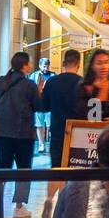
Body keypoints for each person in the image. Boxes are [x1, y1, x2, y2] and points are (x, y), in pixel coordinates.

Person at [0, 52, 40, 218]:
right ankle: (19, 206)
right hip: (24, 133)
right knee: (23, 169)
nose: (30, 66)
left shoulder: (0, 82)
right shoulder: (30, 85)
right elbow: (39, 106)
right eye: (29, 63)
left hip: (2, 132)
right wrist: (40, 91)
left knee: (2, 168)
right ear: (24, 65)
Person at [39, 48, 84, 186]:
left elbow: (43, 107)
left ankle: (58, 202)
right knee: (76, 173)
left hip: (58, 133)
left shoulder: (52, 82)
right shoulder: (84, 84)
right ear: (79, 64)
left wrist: (40, 92)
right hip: (79, 134)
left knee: (57, 172)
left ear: (63, 63)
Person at [74, 50, 109, 124]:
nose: (103, 67)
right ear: (92, 66)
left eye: (106, 62)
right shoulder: (84, 87)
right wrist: (96, 91)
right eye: (99, 63)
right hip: (88, 132)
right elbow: (80, 114)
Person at [31, 57, 53, 155]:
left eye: (47, 66)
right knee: (39, 125)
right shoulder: (34, 76)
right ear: (40, 66)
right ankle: (41, 144)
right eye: (44, 66)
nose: (46, 68)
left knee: (50, 125)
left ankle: (51, 143)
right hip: (38, 103)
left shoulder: (53, 76)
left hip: (49, 103)